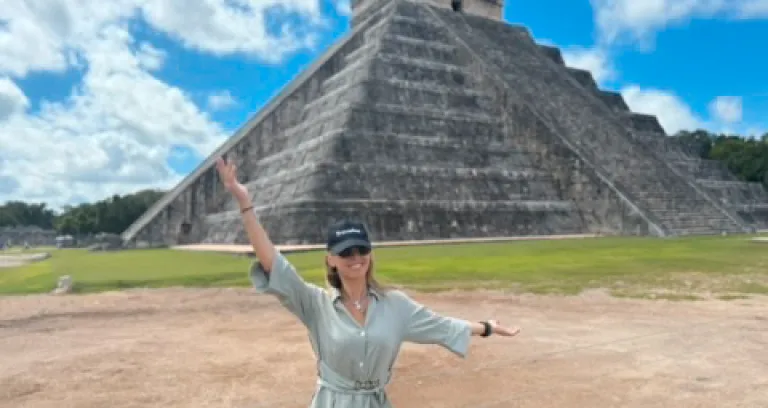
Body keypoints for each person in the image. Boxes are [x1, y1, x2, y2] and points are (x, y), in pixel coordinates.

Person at [215, 157, 521, 407]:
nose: (355, 257)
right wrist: (244, 203)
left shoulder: (395, 305)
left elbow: (441, 325)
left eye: (361, 250)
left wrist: (487, 327)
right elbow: (273, 263)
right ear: (331, 259)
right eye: (346, 252)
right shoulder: (315, 304)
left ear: (370, 254)